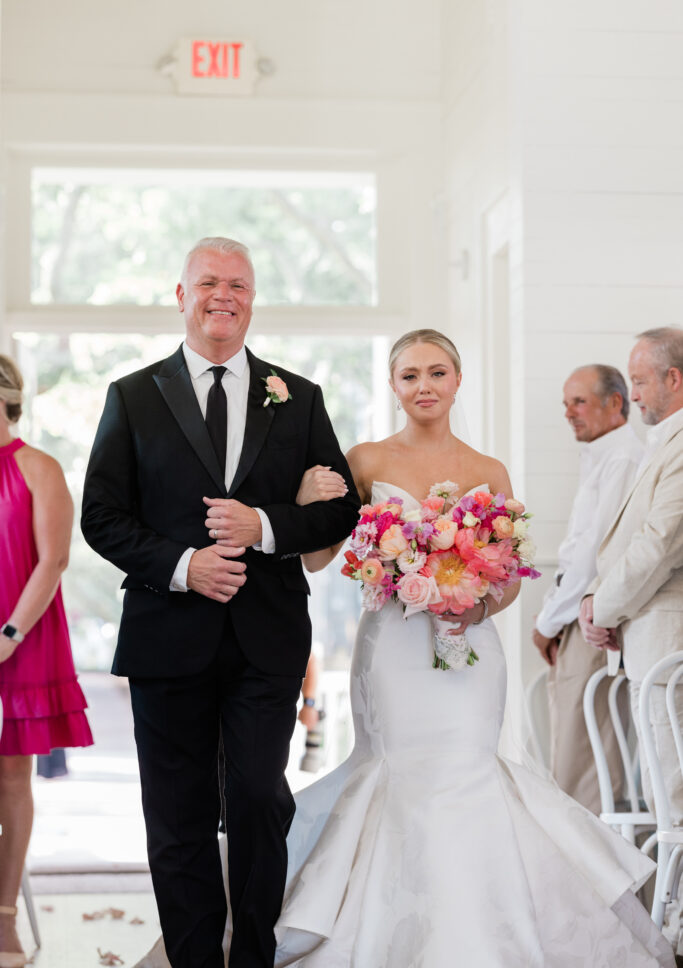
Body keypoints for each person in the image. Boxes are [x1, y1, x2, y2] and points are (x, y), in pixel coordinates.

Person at [270, 329, 672, 967]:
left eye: (436, 373)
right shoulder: (366, 459)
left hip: (470, 652)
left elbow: (510, 578)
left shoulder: (489, 471)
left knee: (469, 772)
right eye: (409, 376)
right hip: (395, 649)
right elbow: (319, 559)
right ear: (394, 384)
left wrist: (473, 605)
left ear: (457, 381)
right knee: (398, 773)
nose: (423, 387)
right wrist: (302, 502)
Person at [81, 237, 360, 968]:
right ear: (181, 296)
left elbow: (340, 511)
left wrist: (265, 525)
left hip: (266, 641)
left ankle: (253, 956)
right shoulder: (133, 397)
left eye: (237, 283)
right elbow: (102, 516)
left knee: (260, 798)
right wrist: (183, 566)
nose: (223, 295)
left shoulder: (297, 397)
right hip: (166, 632)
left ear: (252, 297)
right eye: (208, 282)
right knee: (177, 816)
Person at [580, 325, 683, 958]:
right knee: (664, 793)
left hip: (666, 640)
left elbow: (658, 544)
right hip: (643, 638)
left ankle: (672, 929)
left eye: (641, 380)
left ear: (675, 379)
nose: (634, 392)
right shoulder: (659, 442)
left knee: (675, 796)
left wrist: (601, 605)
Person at [0, 354, 93, 968]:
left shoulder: (37, 466)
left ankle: (4, 918)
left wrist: (6, 636)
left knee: (10, 780)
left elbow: (52, 561)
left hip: (19, 639)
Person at [533, 364, 643, 813]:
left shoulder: (623, 458)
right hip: (574, 619)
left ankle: (589, 879)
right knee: (569, 754)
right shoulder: (603, 456)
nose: (568, 413)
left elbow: (594, 557)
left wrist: (545, 624)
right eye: (565, 403)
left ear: (615, 403)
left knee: (582, 764)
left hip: (591, 620)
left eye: (578, 401)